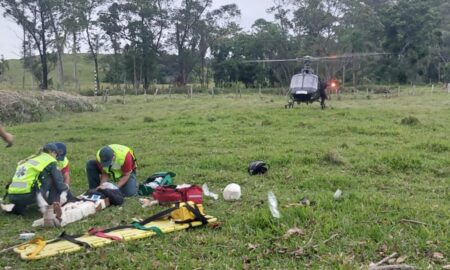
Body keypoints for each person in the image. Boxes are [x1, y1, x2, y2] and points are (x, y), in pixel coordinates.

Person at [6, 143, 69, 215]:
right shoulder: (51, 161)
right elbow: (58, 181)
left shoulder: (31, 158)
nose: (56, 158)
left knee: (33, 178)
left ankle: (19, 207)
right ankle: (52, 205)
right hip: (28, 195)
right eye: (56, 155)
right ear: (53, 152)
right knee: (52, 177)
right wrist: (65, 190)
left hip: (11, 195)